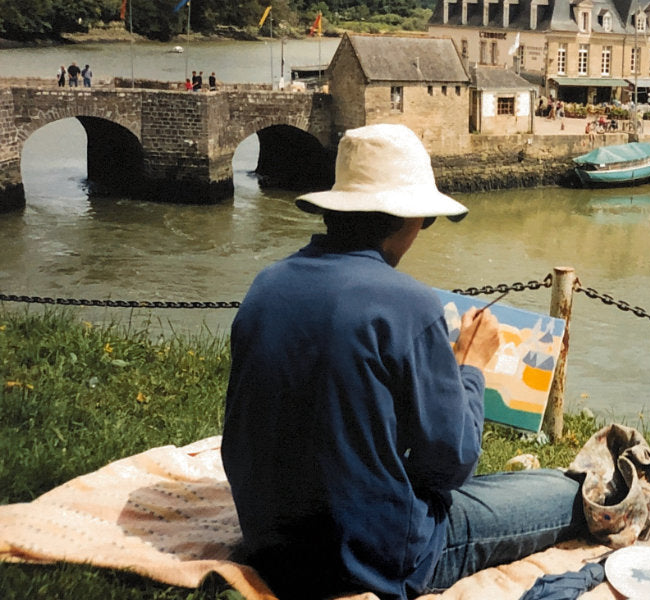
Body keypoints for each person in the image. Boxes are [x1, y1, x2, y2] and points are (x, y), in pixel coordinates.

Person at [222, 124, 585, 600]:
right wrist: (471, 368)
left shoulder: (266, 284)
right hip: (372, 557)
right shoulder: (407, 303)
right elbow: (453, 466)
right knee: (566, 490)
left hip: (271, 542)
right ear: (409, 219)